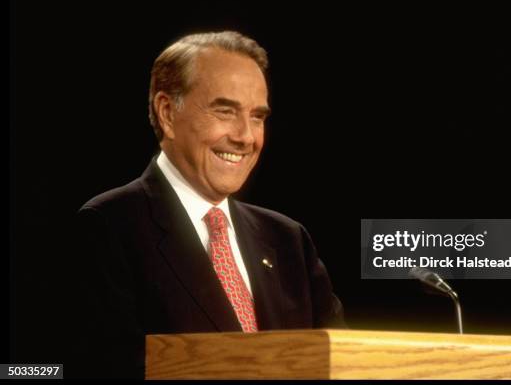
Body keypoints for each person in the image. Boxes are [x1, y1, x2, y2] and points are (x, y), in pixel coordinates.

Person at [64, 31, 345, 379]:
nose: (245, 136)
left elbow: (341, 363)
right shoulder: (108, 227)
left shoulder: (289, 240)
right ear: (167, 112)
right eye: (225, 111)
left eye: (257, 117)